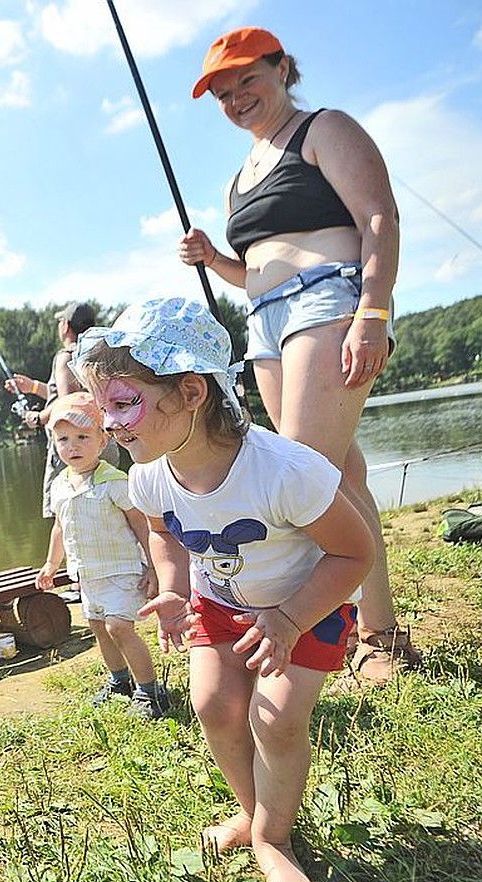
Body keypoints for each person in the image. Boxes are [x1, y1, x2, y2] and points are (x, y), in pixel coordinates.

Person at [73, 296, 374, 882]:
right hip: (219, 603)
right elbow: (162, 531)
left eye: (124, 403)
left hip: (303, 604)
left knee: (278, 717)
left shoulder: (285, 471)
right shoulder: (149, 473)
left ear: (191, 393)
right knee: (212, 704)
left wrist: (288, 619)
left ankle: (275, 837)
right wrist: (173, 588)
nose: (109, 425)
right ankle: (252, 810)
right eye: (104, 409)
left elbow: (355, 553)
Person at [178, 26, 418, 683]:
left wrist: (372, 311)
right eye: (223, 93)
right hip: (265, 322)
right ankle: (380, 629)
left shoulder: (323, 128)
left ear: (282, 68)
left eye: (247, 80)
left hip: (330, 300)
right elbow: (252, 269)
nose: (236, 98)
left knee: (307, 474)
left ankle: (350, 635)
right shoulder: (239, 178)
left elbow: (378, 218)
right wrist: (215, 260)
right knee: (338, 473)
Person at [33, 392, 165, 718]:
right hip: (87, 574)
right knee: (98, 626)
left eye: (82, 437)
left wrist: (153, 567)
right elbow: (60, 528)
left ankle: (149, 690)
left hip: (121, 570)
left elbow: (141, 524)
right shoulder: (61, 485)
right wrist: (52, 564)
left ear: (102, 439)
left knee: (119, 627)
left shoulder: (114, 481)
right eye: (63, 440)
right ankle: (120, 680)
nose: (73, 446)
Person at [5, 301, 116, 517]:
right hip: (102, 441)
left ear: (65, 326)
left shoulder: (65, 356)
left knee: (64, 512)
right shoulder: (98, 354)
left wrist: (38, 418)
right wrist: (34, 387)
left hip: (73, 445)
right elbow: (82, 397)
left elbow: (68, 404)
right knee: (106, 509)